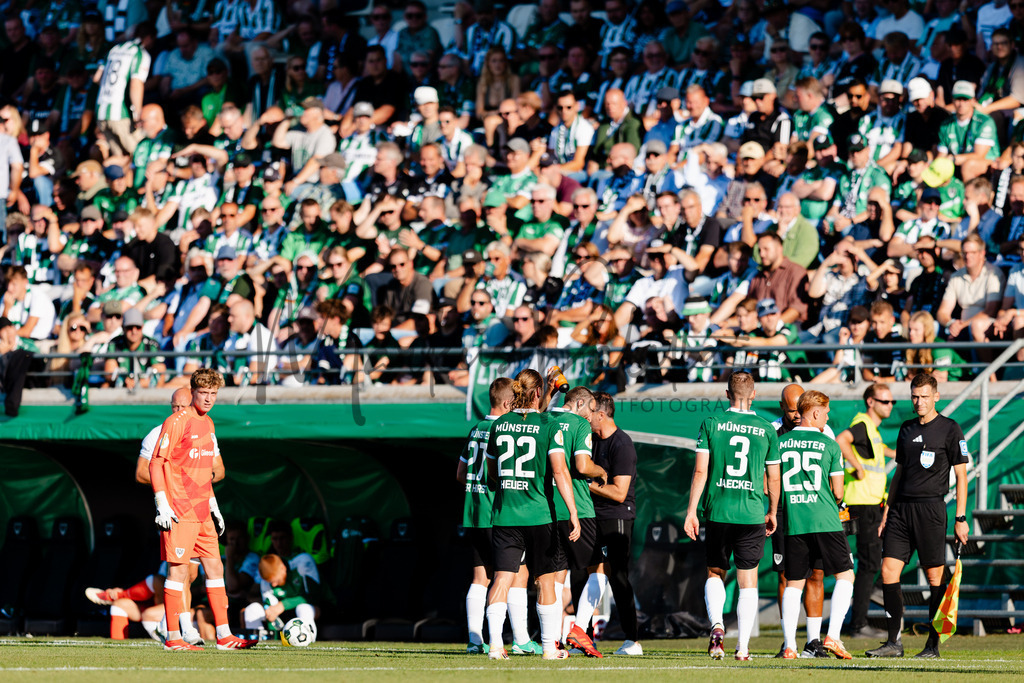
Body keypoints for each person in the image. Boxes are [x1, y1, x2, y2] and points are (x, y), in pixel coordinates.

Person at [149, 368, 252, 651]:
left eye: (213, 394)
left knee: (216, 566)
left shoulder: (208, 424)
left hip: (202, 511)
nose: (208, 399)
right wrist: (162, 504)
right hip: (180, 510)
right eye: (203, 393)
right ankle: (172, 637)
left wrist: (213, 506)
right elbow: (155, 463)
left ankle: (224, 635)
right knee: (178, 573)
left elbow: (205, 472)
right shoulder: (177, 421)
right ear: (193, 392)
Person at [867, 373, 970, 659]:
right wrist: (888, 510)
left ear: (936, 396)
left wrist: (960, 518)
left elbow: (961, 476)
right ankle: (893, 642)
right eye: (915, 396)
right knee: (888, 571)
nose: (919, 401)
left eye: (925, 396)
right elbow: (899, 472)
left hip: (931, 509)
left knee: (934, 576)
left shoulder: (950, 429)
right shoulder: (906, 428)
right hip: (900, 511)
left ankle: (932, 645)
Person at [684, 371, 780, 661]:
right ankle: (744, 648)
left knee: (715, 572)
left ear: (726, 394)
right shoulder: (766, 428)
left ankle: (716, 626)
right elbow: (773, 479)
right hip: (751, 514)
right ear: (754, 396)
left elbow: (701, 471)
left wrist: (691, 511)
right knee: (747, 581)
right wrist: (772, 511)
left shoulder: (711, 423)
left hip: (718, 512)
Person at [484, 369, 578, 661]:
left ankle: (496, 647)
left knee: (501, 579)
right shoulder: (550, 426)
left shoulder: (499, 425)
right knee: (546, 580)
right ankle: (550, 648)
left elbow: (490, 474)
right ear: (538, 392)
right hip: (539, 515)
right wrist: (573, 512)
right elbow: (561, 471)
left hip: (505, 515)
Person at [777, 390, 856, 661]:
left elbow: (771, 484)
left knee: (794, 583)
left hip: (795, 520)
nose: (828, 416)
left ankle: (790, 646)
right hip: (825, 518)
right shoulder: (829, 444)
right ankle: (832, 636)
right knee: (846, 575)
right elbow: (838, 492)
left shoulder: (781, 443)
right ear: (813, 413)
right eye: (825, 411)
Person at [770, 383, 835, 658]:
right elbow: (765, 476)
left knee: (816, 574)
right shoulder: (773, 432)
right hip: (786, 511)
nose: (797, 414)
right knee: (787, 575)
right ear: (783, 409)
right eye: (791, 410)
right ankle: (789, 642)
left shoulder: (825, 430)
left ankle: (813, 640)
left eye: (800, 409)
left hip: (814, 510)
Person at [547, 384, 606, 659]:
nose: (593, 417)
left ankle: (553, 641)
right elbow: (582, 466)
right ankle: (579, 629)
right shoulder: (579, 425)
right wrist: (601, 470)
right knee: (600, 569)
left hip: (546, 509)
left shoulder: (545, 420)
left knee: (555, 576)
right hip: (578, 509)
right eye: (592, 410)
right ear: (580, 404)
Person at [835, 384, 896, 640]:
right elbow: (841, 440)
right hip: (863, 505)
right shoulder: (862, 424)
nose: (890, 405)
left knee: (866, 562)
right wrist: (857, 467)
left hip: (861, 504)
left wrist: (899, 453)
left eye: (892, 402)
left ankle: (856, 618)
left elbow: (876, 450)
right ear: (871, 402)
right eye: (885, 401)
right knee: (869, 563)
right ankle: (858, 624)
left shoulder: (872, 431)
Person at [457, 377, 513, 654]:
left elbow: (459, 474)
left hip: (474, 511)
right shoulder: (503, 430)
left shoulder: (475, 428)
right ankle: (505, 640)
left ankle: (474, 639)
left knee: (480, 578)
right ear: (506, 403)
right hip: (497, 513)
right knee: (508, 576)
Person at [585, 391, 642, 656]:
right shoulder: (590, 440)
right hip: (592, 515)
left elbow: (619, 493)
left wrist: (589, 485)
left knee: (618, 575)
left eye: (590, 413)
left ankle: (633, 640)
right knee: (587, 574)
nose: (586, 417)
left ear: (601, 414)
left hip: (617, 516)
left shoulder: (623, 444)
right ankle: (584, 638)